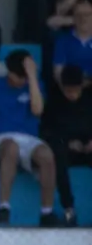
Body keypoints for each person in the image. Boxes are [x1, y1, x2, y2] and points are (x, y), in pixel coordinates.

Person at [0, 51, 59, 227]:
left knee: (46, 154)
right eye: (18, 76)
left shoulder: (35, 85)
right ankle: (3, 207)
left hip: (28, 139)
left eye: (24, 77)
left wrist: (32, 77)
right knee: (11, 146)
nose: (21, 80)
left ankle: (47, 211)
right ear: (9, 71)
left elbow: (37, 110)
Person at [42, 67, 92, 226]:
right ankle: (69, 209)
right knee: (57, 156)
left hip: (88, 148)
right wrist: (67, 143)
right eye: (68, 91)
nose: (72, 94)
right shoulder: (53, 101)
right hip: (65, 149)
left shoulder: (89, 99)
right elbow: (46, 131)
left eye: (75, 90)